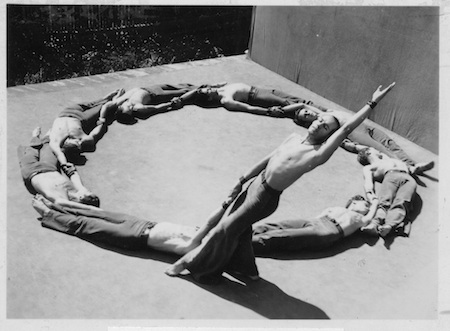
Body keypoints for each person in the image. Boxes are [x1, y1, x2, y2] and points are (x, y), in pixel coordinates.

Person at [165, 83, 395, 283]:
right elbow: (267, 160)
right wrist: (242, 180)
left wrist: (371, 103)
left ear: (328, 136)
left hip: (265, 198)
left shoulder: (318, 154)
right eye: (319, 121)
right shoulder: (294, 139)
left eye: (325, 127)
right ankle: (246, 269)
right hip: (255, 184)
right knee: (242, 231)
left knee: (226, 228)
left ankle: (189, 263)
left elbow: (346, 128)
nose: (318, 125)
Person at [31, 194, 239, 258]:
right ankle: (57, 205)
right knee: (96, 212)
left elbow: (211, 222)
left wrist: (226, 203)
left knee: (87, 225)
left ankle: (48, 213)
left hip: (132, 236)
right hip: (142, 223)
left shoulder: (194, 245)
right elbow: (214, 225)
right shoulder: (196, 233)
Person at [271, 102, 434, 174]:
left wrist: (285, 109)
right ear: (308, 122)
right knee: (382, 148)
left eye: (307, 111)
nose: (308, 112)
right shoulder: (324, 125)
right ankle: (408, 169)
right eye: (306, 116)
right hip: (356, 132)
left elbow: (301, 105)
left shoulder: (323, 112)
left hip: (366, 125)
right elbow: (339, 140)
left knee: (389, 143)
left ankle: (413, 164)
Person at [251, 195, 378, 253]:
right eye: (366, 205)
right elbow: (320, 216)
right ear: (354, 203)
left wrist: (375, 203)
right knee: (280, 225)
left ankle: (243, 245)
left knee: (282, 235)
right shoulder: (338, 208)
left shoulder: (360, 219)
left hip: (329, 230)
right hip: (315, 221)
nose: (367, 208)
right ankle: (241, 233)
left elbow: (370, 216)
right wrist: (311, 224)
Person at [18, 127, 100, 209]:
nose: (87, 190)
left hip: (31, 171)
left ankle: (35, 137)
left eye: (88, 192)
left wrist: (91, 209)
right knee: (48, 148)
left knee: (31, 152)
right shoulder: (79, 190)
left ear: (81, 198)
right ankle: (46, 138)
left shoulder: (62, 199)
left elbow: (59, 202)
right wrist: (69, 167)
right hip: (50, 167)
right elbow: (74, 176)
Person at [356, 145, 419, 237]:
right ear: (368, 153)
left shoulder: (388, 160)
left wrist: (419, 168)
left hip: (408, 178)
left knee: (403, 201)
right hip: (390, 175)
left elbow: (413, 169)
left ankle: (389, 226)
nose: (378, 150)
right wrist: (370, 194)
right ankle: (374, 224)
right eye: (374, 149)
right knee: (385, 200)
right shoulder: (370, 167)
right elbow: (368, 182)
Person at [49, 89, 123, 166]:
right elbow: (95, 133)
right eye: (79, 144)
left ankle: (105, 98)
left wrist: (64, 163)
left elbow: (59, 154)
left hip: (65, 112)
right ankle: (115, 99)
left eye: (76, 142)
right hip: (81, 118)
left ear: (67, 143)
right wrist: (101, 120)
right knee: (101, 108)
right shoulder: (84, 139)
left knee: (88, 104)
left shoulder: (55, 142)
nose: (79, 142)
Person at [182, 82, 315, 116]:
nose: (211, 88)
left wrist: (196, 92)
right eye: (209, 91)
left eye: (209, 87)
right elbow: (249, 108)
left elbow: (200, 89)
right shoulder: (226, 100)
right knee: (289, 104)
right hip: (257, 97)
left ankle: (321, 110)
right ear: (210, 98)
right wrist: (268, 111)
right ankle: (319, 116)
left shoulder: (220, 87)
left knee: (292, 98)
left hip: (259, 89)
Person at [111, 83, 198, 121]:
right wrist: (170, 104)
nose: (131, 107)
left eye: (128, 108)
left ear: (121, 108)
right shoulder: (138, 108)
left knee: (175, 86)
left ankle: (195, 87)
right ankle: (201, 89)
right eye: (131, 110)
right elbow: (156, 108)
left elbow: (114, 100)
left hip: (150, 88)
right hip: (157, 95)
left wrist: (118, 93)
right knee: (182, 92)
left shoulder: (122, 103)